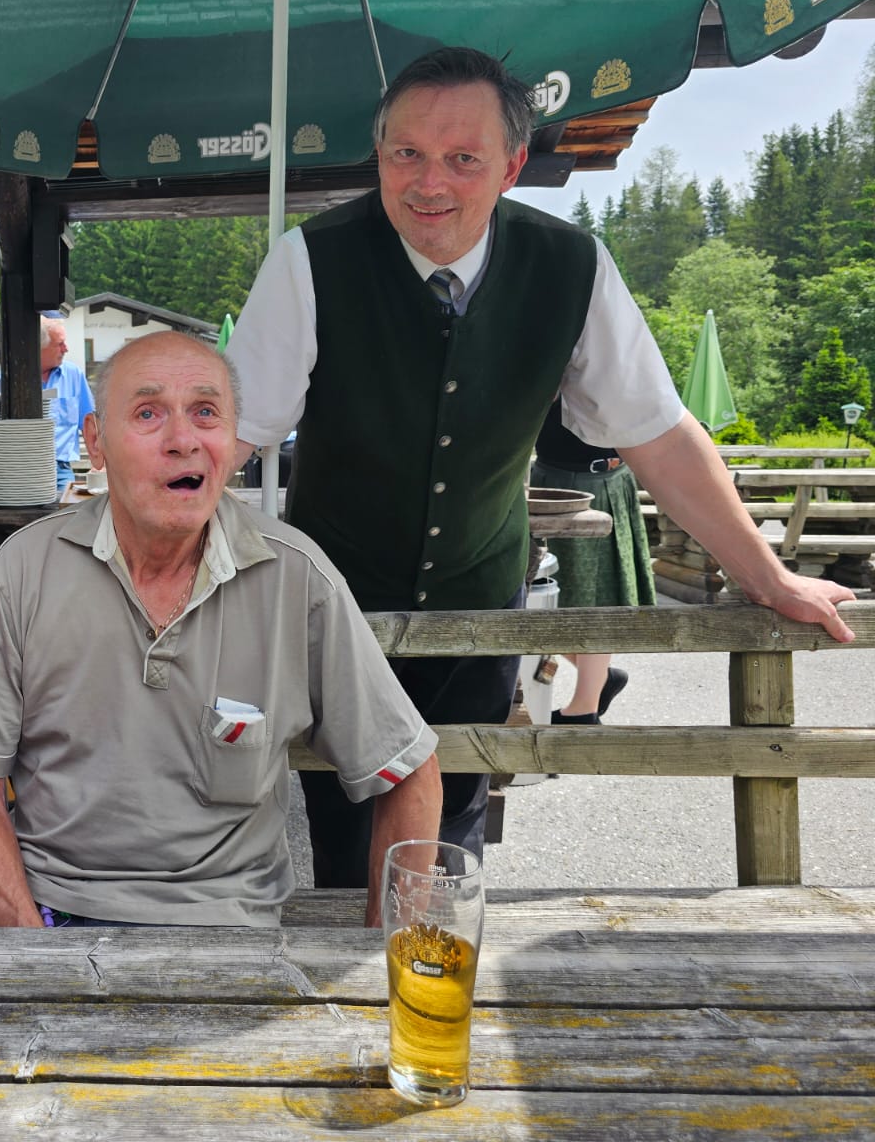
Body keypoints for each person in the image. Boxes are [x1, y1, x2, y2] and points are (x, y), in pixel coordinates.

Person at [227, 46, 855, 889]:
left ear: (512, 165)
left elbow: (659, 435)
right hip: (337, 609)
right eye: (406, 153)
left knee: (455, 830)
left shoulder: (571, 264)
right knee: (345, 838)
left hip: (483, 600)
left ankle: (434, 956)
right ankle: (357, 965)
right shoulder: (310, 259)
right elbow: (232, 434)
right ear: (378, 154)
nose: (429, 183)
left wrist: (768, 577)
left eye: (463, 158)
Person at [0, 330, 440, 928]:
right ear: (96, 442)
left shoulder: (295, 576)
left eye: (205, 413)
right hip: (54, 909)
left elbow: (410, 772)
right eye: (148, 413)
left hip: (230, 923)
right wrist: (32, 949)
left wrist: (385, 956)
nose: (183, 440)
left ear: (233, 438)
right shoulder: (26, 568)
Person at [531, 398, 650, 723]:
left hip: (602, 479)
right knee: (539, 593)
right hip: (548, 476)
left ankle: (584, 708)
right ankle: (598, 680)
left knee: (597, 599)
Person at [0, 310, 95, 492]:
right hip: (16, 472)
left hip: (60, 471)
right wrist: (6, 465)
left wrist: (99, 464)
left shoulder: (74, 375)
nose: (66, 349)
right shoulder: (2, 381)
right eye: (60, 344)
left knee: (67, 509)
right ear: (37, 347)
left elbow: (91, 424)